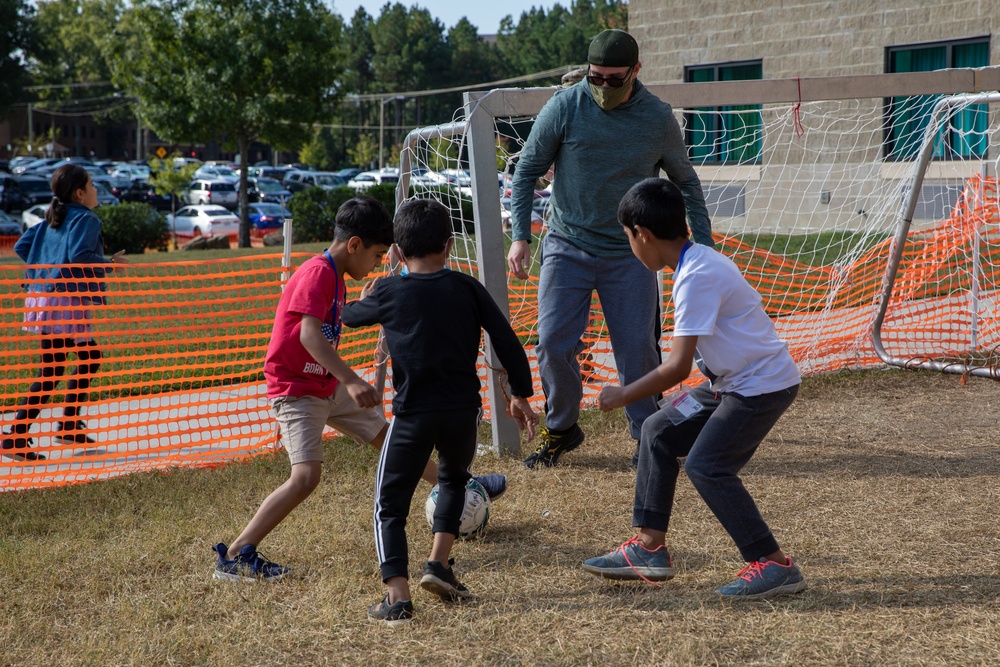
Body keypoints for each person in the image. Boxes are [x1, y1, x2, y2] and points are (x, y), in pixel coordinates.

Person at [211, 196, 508, 582]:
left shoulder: (335, 274)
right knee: (306, 477)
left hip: (323, 382)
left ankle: (463, 483)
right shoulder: (318, 272)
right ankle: (236, 555)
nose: (376, 263)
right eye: (376, 254)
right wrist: (350, 380)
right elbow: (308, 335)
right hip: (298, 388)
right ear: (354, 245)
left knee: (391, 439)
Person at [581, 178, 805, 599]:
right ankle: (649, 548)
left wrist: (621, 394)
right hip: (730, 383)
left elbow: (677, 367)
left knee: (707, 466)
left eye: (628, 236)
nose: (630, 244)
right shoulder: (695, 262)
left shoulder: (696, 276)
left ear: (642, 235)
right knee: (657, 430)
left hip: (759, 387)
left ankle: (774, 565)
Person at [507, 29, 714, 469]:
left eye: (613, 79)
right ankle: (561, 427)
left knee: (637, 349)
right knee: (552, 343)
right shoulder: (565, 105)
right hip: (567, 244)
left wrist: (706, 248)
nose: (602, 87)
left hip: (631, 252)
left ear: (636, 71)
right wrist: (520, 235)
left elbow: (687, 183)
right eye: (594, 77)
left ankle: (648, 435)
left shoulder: (657, 118)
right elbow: (525, 171)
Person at [342, 199, 538, 625]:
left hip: (413, 415)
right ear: (450, 245)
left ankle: (397, 597)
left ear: (395, 251)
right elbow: (507, 341)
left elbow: (348, 317)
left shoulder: (389, 292)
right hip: (463, 413)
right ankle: (439, 564)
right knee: (453, 480)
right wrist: (520, 393)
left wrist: (362, 298)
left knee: (389, 505)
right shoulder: (468, 288)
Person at [2, 164, 127, 462]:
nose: (97, 190)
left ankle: (69, 424)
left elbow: (23, 245)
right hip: (65, 303)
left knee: (89, 356)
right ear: (80, 193)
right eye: (93, 185)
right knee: (52, 370)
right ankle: (16, 436)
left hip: (44, 297)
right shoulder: (86, 218)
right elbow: (80, 256)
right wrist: (110, 263)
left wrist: (46, 265)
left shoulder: (53, 217)